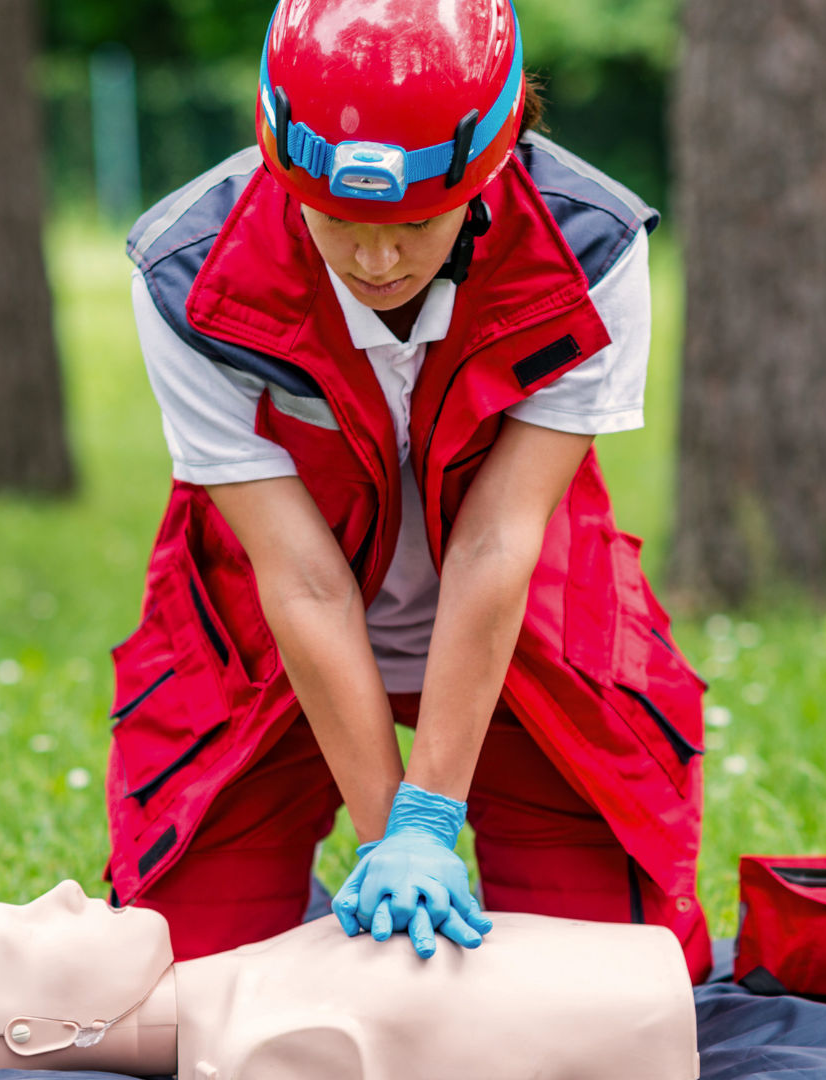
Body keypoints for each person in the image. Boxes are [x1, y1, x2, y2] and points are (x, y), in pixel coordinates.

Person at [108, 0, 711, 981]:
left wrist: (428, 822)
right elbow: (297, 578)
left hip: (526, 633)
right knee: (182, 985)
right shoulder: (187, 276)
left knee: (621, 986)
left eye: (414, 225)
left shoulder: (592, 249)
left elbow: (497, 543)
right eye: (340, 222)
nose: (377, 260)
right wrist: (386, 832)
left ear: (491, 165)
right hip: (262, 646)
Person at [0, 880, 700, 1079]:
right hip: (650, 1020)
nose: (62, 893)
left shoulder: (240, 993)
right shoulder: (272, 1043)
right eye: (26, 931)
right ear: (35, 1035)